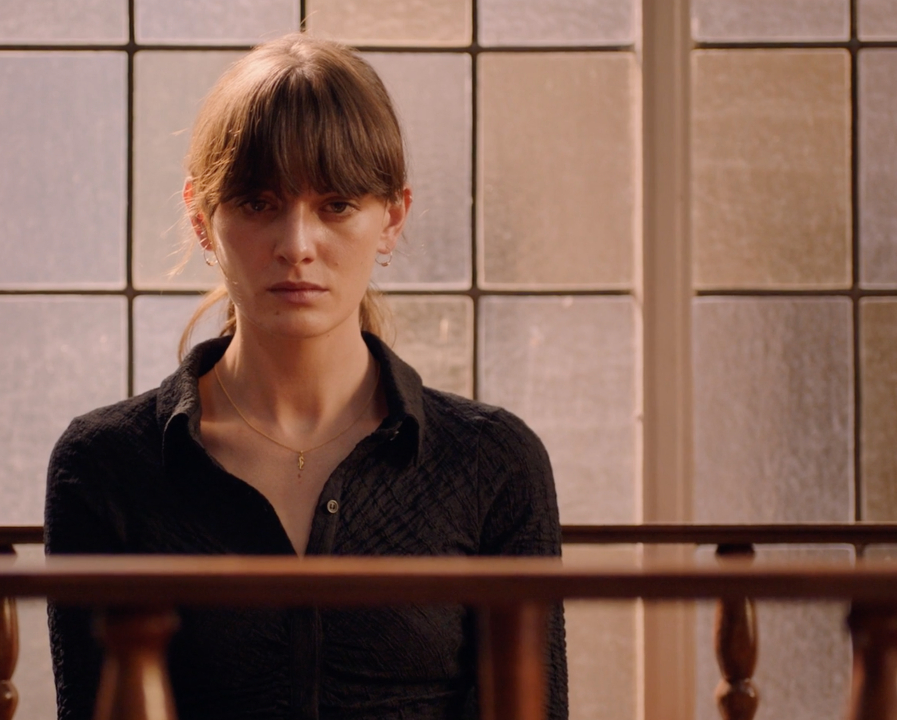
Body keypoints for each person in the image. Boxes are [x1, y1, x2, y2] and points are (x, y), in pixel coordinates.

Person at [45, 33, 567, 720]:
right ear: (201, 219)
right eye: (258, 204)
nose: (296, 246)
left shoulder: (493, 461)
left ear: (393, 218)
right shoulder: (105, 464)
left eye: (336, 205)